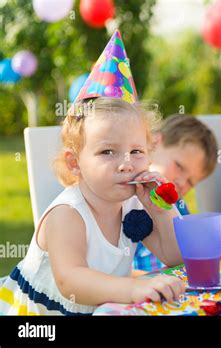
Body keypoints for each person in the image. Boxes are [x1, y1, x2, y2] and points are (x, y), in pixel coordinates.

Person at [0, 30, 185, 315]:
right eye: (107, 152)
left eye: (136, 151)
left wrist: (162, 212)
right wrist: (132, 289)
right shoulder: (68, 213)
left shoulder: (133, 204)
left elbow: (175, 257)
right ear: (75, 163)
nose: (126, 163)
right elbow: (70, 279)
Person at [133, 114, 218, 273]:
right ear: (155, 143)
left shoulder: (179, 210)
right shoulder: (124, 197)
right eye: (179, 166)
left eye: (190, 182)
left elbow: (186, 258)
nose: (180, 182)